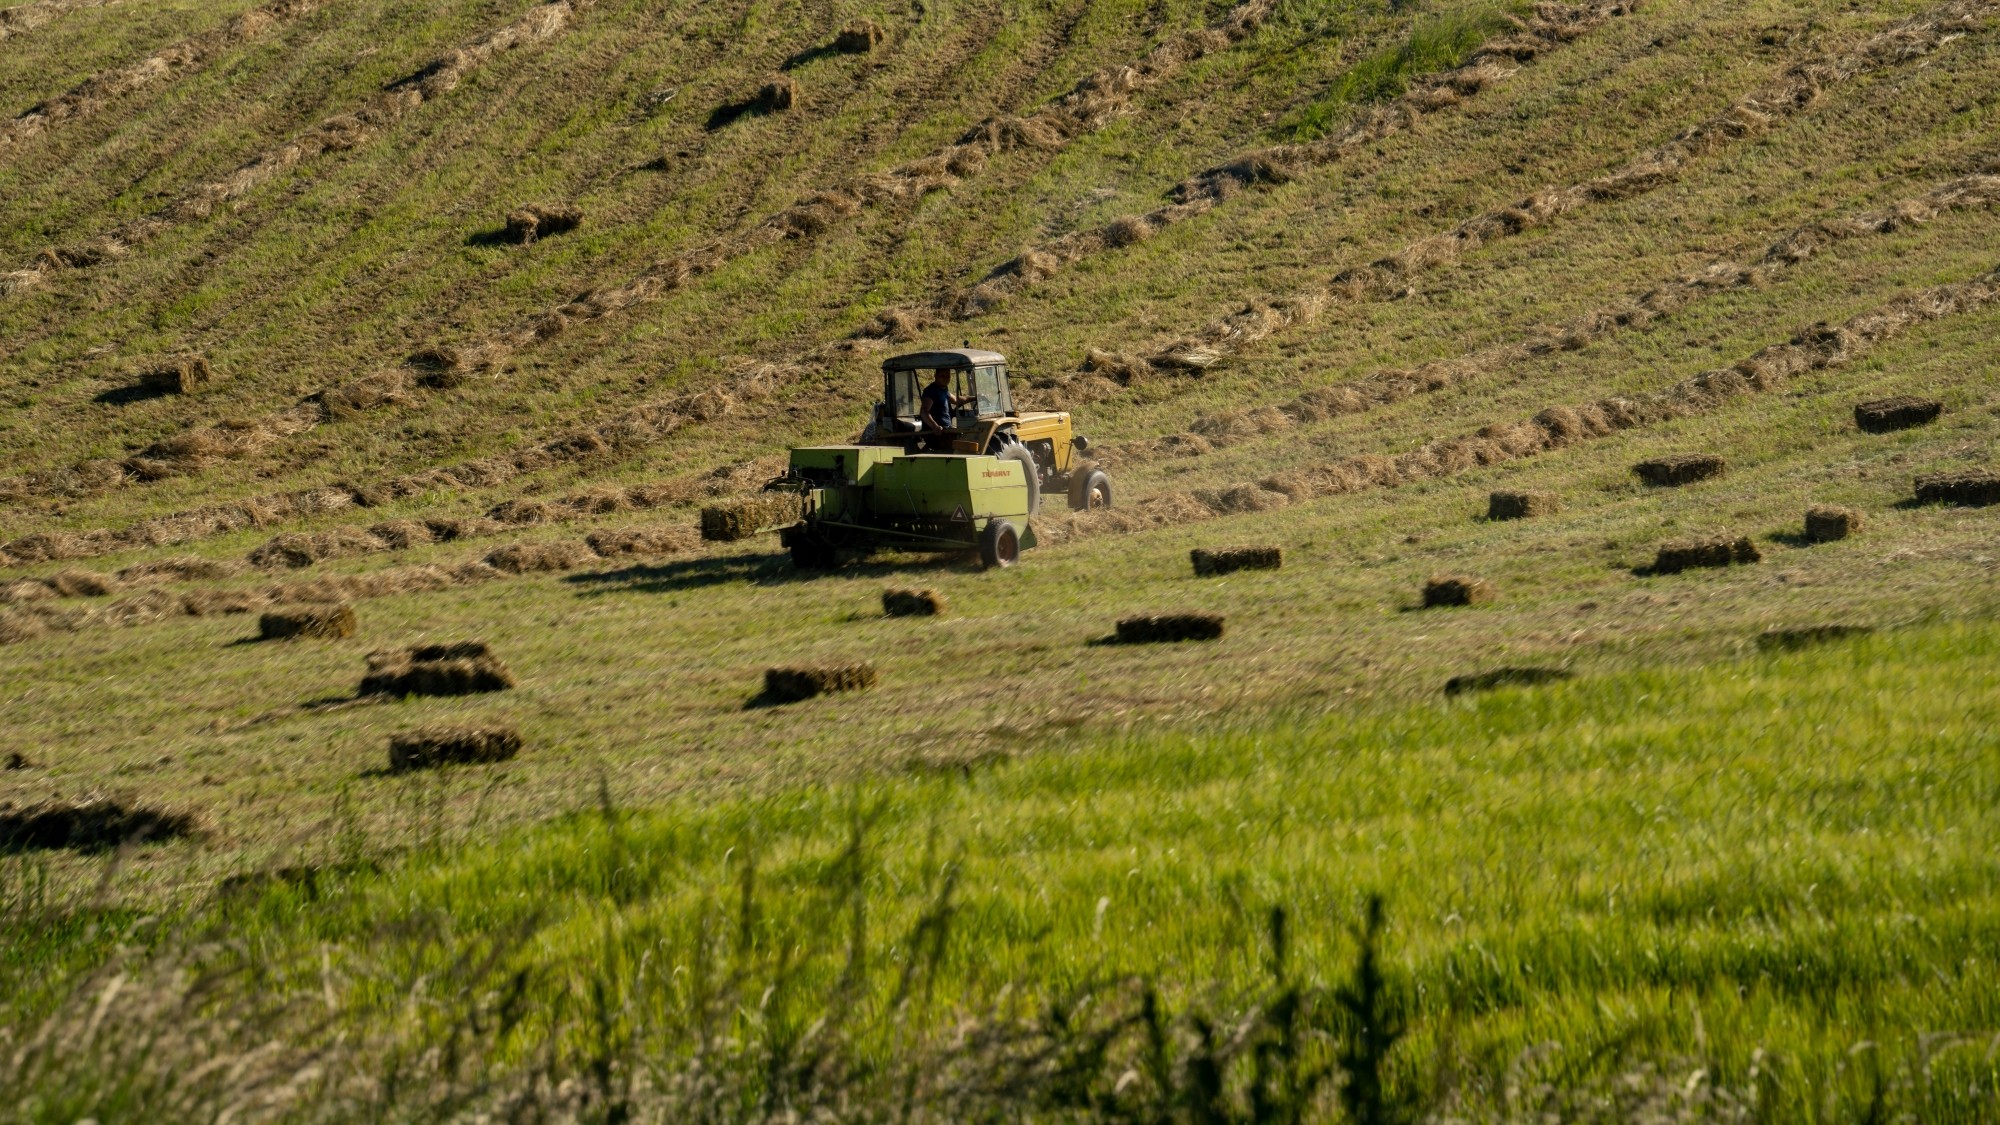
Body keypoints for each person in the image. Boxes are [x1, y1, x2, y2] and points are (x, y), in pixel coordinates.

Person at [919, 369, 956, 438]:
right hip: (937, 433)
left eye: (948, 376)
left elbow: (956, 400)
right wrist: (935, 426)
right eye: (942, 376)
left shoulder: (944, 390)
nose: (945, 378)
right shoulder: (931, 391)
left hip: (947, 430)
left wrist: (975, 397)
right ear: (935, 376)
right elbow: (924, 411)